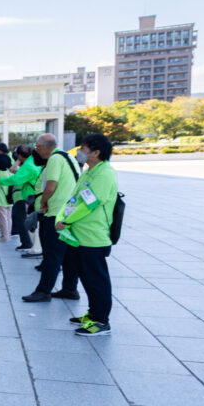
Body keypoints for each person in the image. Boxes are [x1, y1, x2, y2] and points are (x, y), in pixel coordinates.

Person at [56, 134, 119, 337]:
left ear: (96, 152)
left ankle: (101, 321)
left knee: (96, 279)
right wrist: (61, 216)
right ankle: (93, 314)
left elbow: (91, 204)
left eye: (83, 148)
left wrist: (67, 220)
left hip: (94, 237)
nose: (79, 152)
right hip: (78, 235)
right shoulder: (89, 172)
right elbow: (73, 198)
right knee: (86, 277)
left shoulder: (105, 173)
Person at [23, 134, 81, 303]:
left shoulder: (55, 158)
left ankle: (43, 291)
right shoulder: (67, 155)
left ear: (45, 146)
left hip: (56, 212)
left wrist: (43, 203)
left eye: (37, 146)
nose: (36, 150)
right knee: (68, 255)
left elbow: (51, 186)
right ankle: (70, 289)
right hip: (69, 212)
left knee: (52, 254)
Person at [0, 145, 42, 251]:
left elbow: (15, 179)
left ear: (19, 155)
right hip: (29, 195)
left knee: (22, 220)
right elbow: (14, 170)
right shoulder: (32, 162)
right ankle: (30, 243)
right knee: (24, 220)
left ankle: (27, 243)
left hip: (25, 196)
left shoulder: (28, 165)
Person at [0, 151, 14, 242]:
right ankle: (8, 234)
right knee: (8, 218)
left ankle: (4, 236)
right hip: (9, 199)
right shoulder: (10, 173)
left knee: (2, 219)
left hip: (1, 200)